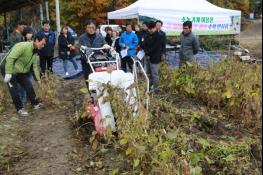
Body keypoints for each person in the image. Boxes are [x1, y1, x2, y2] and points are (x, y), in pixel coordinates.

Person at [0, 34, 47, 117]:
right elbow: (10, 58)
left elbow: (34, 66)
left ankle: (35, 103)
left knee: (28, 85)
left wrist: (38, 80)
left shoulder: (35, 51)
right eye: (42, 43)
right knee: (14, 89)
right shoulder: (23, 46)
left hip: (20, 70)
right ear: (36, 40)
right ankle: (20, 109)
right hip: (8, 67)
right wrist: (8, 73)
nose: (43, 46)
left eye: (44, 44)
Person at [78, 20, 108, 88]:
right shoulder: (82, 38)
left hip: (97, 61)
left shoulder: (99, 37)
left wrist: (107, 47)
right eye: (89, 27)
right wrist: (83, 49)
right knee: (88, 78)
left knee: (99, 77)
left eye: (92, 27)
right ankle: (91, 94)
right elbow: (79, 48)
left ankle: (99, 91)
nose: (91, 29)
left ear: (95, 28)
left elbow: (105, 44)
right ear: (86, 28)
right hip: (86, 61)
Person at [142, 21, 164, 94]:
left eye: (152, 28)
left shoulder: (159, 36)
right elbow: (144, 44)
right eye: (149, 28)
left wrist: (147, 53)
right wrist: (145, 52)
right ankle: (148, 88)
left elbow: (156, 47)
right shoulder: (147, 35)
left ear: (155, 27)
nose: (151, 30)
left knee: (155, 74)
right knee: (148, 73)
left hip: (155, 58)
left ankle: (156, 90)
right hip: (147, 57)